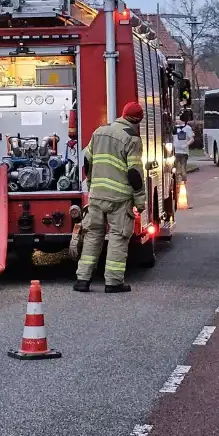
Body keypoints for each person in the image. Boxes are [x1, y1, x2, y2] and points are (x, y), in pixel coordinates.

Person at [73, 101, 146, 294]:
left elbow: (87, 161)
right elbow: (134, 174)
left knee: (92, 236)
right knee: (118, 237)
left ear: (122, 114)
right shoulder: (132, 139)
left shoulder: (99, 132)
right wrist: (140, 201)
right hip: (119, 199)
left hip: (96, 196)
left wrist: (90, 187)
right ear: (138, 120)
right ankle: (113, 282)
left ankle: (82, 280)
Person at [172, 112, 194, 183]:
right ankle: (177, 181)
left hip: (184, 152)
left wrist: (186, 144)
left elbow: (192, 138)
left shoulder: (188, 128)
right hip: (176, 151)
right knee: (176, 168)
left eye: (178, 119)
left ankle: (183, 181)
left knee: (183, 168)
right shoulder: (175, 128)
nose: (176, 120)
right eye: (176, 119)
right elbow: (172, 138)